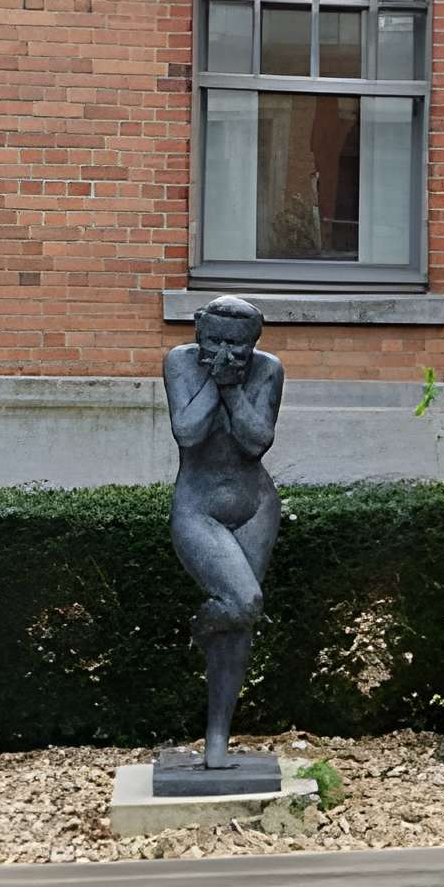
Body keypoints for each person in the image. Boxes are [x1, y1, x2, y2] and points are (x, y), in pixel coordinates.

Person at [164, 297, 282, 768]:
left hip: (256, 507)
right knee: (245, 603)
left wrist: (235, 390)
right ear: (198, 330)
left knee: (239, 630)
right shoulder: (179, 363)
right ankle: (203, 621)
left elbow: (257, 442)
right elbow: (188, 433)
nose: (224, 351)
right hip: (199, 509)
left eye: (236, 345)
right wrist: (218, 382)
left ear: (254, 342)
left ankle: (217, 741)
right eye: (213, 340)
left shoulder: (268, 370)